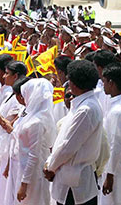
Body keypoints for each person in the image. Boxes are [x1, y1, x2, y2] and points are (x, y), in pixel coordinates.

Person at [44, 60, 103, 205]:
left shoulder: (86, 110)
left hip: (75, 181)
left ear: (74, 84)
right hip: (69, 176)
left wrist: (50, 166)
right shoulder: (83, 104)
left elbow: (67, 146)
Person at [11, 78, 56, 205]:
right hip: (26, 171)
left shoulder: (37, 122)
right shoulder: (32, 116)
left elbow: (34, 156)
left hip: (33, 177)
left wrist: (24, 184)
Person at [100, 63, 121, 205]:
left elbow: (115, 144)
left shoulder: (116, 111)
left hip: (115, 170)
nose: (103, 86)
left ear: (111, 83)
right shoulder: (114, 106)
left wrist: (110, 174)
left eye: (104, 82)